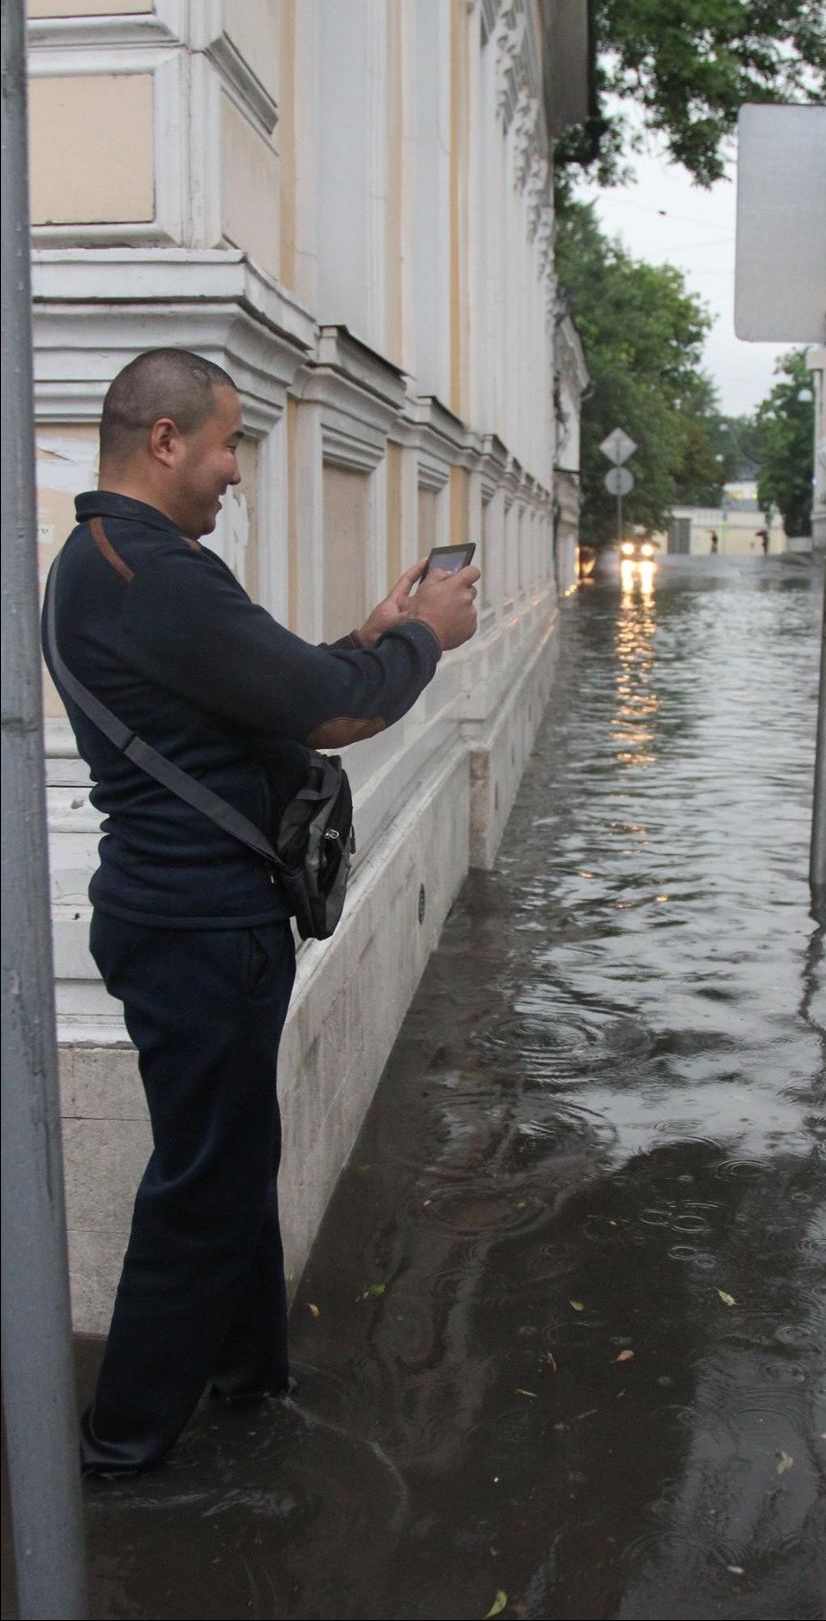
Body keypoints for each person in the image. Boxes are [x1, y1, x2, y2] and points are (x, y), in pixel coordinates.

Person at [42, 348, 480, 1476]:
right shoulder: (154, 575)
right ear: (164, 440)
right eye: (229, 441)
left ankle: (251, 1378)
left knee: (233, 1152)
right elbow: (329, 713)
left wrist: (373, 632)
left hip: (180, 913)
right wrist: (423, 637)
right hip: (198, 926)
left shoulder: (111, 563)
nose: (237, 469)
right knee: (203, 1180)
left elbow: (263, 694)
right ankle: (121, 1444)